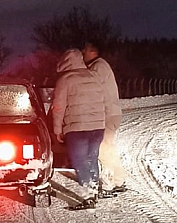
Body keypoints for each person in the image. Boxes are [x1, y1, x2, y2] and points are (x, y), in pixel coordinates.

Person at [51, 48, 106, 209]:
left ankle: (89, 196)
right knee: (92, 157)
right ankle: (95, 189)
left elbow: (58, 107)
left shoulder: (65, 79)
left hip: (77, 128)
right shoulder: (94, 76)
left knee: (80, 161)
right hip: (98, 126)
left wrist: (57, 129)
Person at [82, 39, 128, 195]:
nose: (83, 53)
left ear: (94, 52)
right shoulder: (101, 66)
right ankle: (118, 180)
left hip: (106, 114)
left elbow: (88, 87)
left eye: (86, 50)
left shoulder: (98, 67)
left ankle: (108, 185)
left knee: (102, 150)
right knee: (108, 149)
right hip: (111, 113)